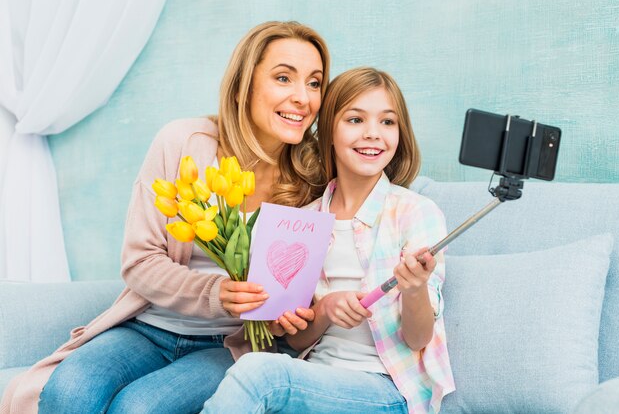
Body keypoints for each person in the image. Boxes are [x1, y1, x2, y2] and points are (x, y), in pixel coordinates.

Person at [0, 21, 331, 414]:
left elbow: (305, 285)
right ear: (244, 86)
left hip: (228, 346)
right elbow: (140, 261)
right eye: (283, 78)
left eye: (314, 83)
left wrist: (291, 313)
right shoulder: (185, 143)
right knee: (68, 391)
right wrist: (214, 295)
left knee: (138, 408)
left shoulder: (314, 177)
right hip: (146, 327)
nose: (302, 98)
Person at [202, 67, 456, 414]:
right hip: (316, 378)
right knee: (262, 375)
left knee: (258, 375)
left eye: (387, 122)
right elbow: (295, 341)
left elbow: (418, 339)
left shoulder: (416, 212)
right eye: (355, 120)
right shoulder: (303, 222)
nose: (373, 135)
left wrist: (414, 289)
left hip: (387, 388)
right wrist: (324, 310)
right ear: (328, 134)